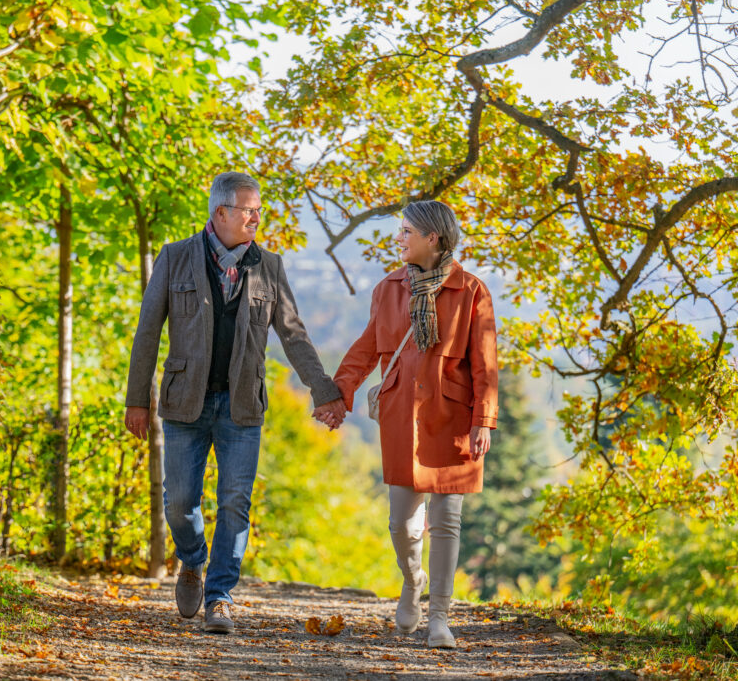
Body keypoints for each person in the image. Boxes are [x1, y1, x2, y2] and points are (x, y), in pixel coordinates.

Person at [124, 171, 346, 634]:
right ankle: (191, 561)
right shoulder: (175, 257)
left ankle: (220, 595)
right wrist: (136, 399)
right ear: (220, 212)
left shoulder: (270, 266)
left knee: (235, 502)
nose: (256, 218)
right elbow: (147, 332)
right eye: (248, 210)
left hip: (242, 405)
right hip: (185, 402)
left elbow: (294, 336)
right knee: (180, 501)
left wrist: (324, 391)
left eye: (258, 210)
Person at [329, 200, 498, 649]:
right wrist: (337, 393)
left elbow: (485, 366)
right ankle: (413, 578)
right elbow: (368, 347)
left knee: (447, 520)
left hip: (454, 417)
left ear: (433, 238)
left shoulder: (472, 291)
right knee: (401, 524)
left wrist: (484, 420)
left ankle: (439, 617)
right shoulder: (388, 288)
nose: (399, 238)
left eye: (407, 231)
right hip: (402, 416)